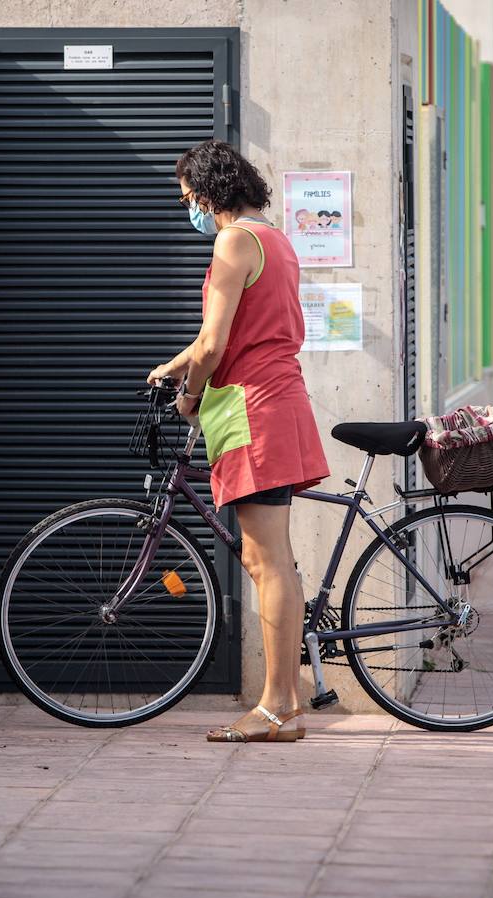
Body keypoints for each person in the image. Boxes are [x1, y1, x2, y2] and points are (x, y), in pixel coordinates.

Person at [149, 139, 330, 743]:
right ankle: (287, 703)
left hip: (252, 409)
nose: (188, 210)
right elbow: (233, 335)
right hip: (275, 400)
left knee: (265, 560)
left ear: (208, 192)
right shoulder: (274, 238)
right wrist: (172, 366)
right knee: (270, 558)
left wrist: (190, 391)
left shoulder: (232, 241)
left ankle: (278, 707)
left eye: (187, 198)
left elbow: (214, 344)